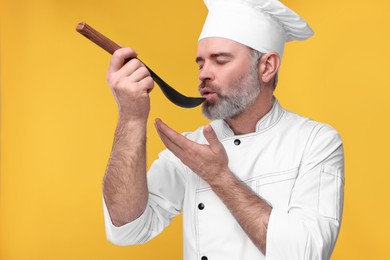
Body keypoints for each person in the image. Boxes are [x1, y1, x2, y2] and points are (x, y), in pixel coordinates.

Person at [102, 0, 345, 259]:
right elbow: (126, 228)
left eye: (219, 60)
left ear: (267, 67)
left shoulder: (316, 141)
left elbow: (307, 253)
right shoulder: (192, 148)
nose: (203, 74)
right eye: (201, 63)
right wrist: (132, 117)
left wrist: (218, 176)